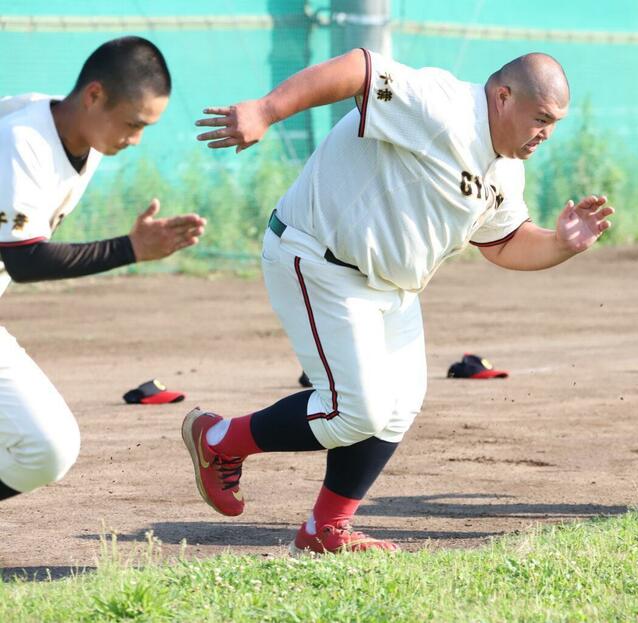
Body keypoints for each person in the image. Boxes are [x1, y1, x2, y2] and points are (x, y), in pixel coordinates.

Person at [182, 47, 613, 553]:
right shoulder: (444, 106)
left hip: (391, 287)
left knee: (398, 406)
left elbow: (504, 242)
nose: (546, 133)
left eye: (555, 122)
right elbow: (360, 69)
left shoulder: (506, 170)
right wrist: (267, 109)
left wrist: (560, 243)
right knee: (355, 412)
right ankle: (218, 440)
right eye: (541, 117)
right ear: (502, 97)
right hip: (319, 259)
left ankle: (325, 529)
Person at [0, 36, 206, 502]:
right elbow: (24, 260)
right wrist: (131, 249)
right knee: (46, 444)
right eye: (133, 124)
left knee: (47, 447)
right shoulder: (23, 140)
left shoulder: (80, 141)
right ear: (94, 96)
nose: (136, 139)